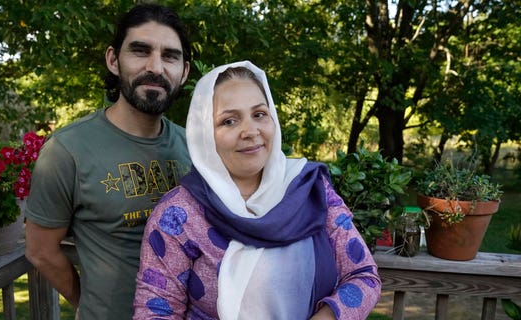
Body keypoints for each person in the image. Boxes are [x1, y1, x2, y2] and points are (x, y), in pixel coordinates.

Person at [133, 61, 382, 320]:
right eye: (229, 121)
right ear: (205, 134)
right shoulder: (179, 215)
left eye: (259, 114)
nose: (250, 131)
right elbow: (156, 311)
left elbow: (363, 276)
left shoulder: (311, 190)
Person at [24, 4, 192, 319]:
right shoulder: (67, 150)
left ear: (183, 72)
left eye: (170, 56)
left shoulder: (194, 147)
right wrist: (85, 304)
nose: (155, 67)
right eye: (140, 51)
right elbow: (40, 251)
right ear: (114, 60)